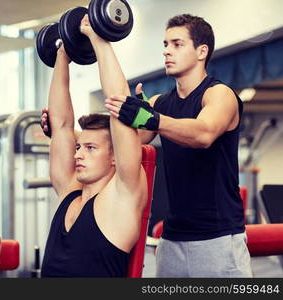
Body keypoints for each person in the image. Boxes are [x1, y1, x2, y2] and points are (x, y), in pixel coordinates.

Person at [42, 14, 252, 278]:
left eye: (177, 44)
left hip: (217, 237)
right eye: (165, 44)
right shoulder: (159, 102)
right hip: (172, 237)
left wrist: (151, 119)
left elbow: (204, 133)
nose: (166, 51)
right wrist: (64, 135)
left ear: (202, 51)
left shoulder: (218, 94)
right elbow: (120, 141)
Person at [40, 15, 147, 277]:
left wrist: (99, 39)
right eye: (79, 147)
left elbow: (119, 105)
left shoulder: (122, 197)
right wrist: (62, 55)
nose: (78, 154)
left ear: (114, 158)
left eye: (91, 148)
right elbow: (62, 125)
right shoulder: (69, 191)